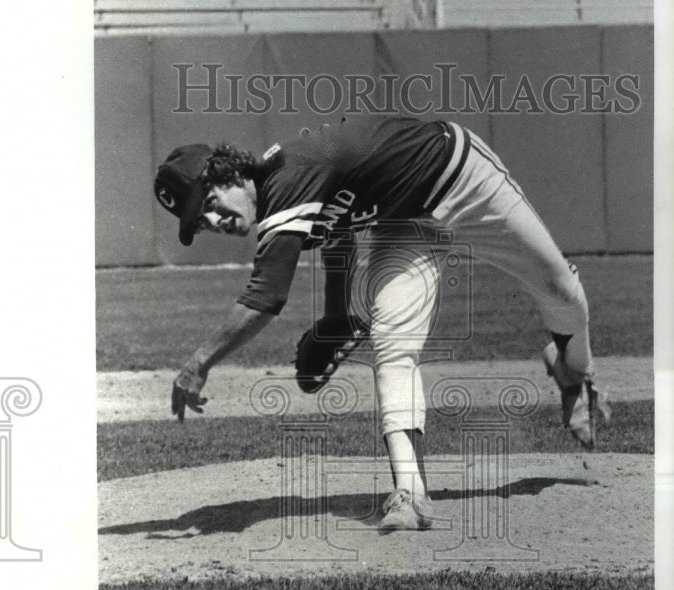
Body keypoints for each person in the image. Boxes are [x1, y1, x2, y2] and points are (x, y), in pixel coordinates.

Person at [155, 114, 609, 533]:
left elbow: (266, 296)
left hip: (461, 177)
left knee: (561, 291)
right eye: (202, 221)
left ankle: (574, 371)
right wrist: (335, 319)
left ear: (228, 175)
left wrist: (199, 363)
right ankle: (410, 494)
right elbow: (337, 233)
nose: (215, 221)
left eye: (210, 203)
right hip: (404, 219)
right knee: (393, 341)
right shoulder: (283, 193)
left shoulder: (286, 178)